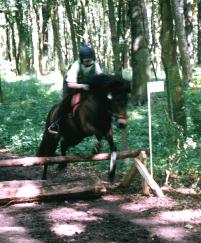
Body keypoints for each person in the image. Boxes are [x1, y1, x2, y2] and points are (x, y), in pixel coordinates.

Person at [49, 45, 102, 134]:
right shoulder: (76, 66)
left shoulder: (95, 65)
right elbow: (71, 84)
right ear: (82, 59)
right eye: (86, 61)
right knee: (66, 103)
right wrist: (83, 86)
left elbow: (101, 78)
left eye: (90, 60)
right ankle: (56, 123)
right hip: (72, 86)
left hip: (87, 87)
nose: (89, 62)